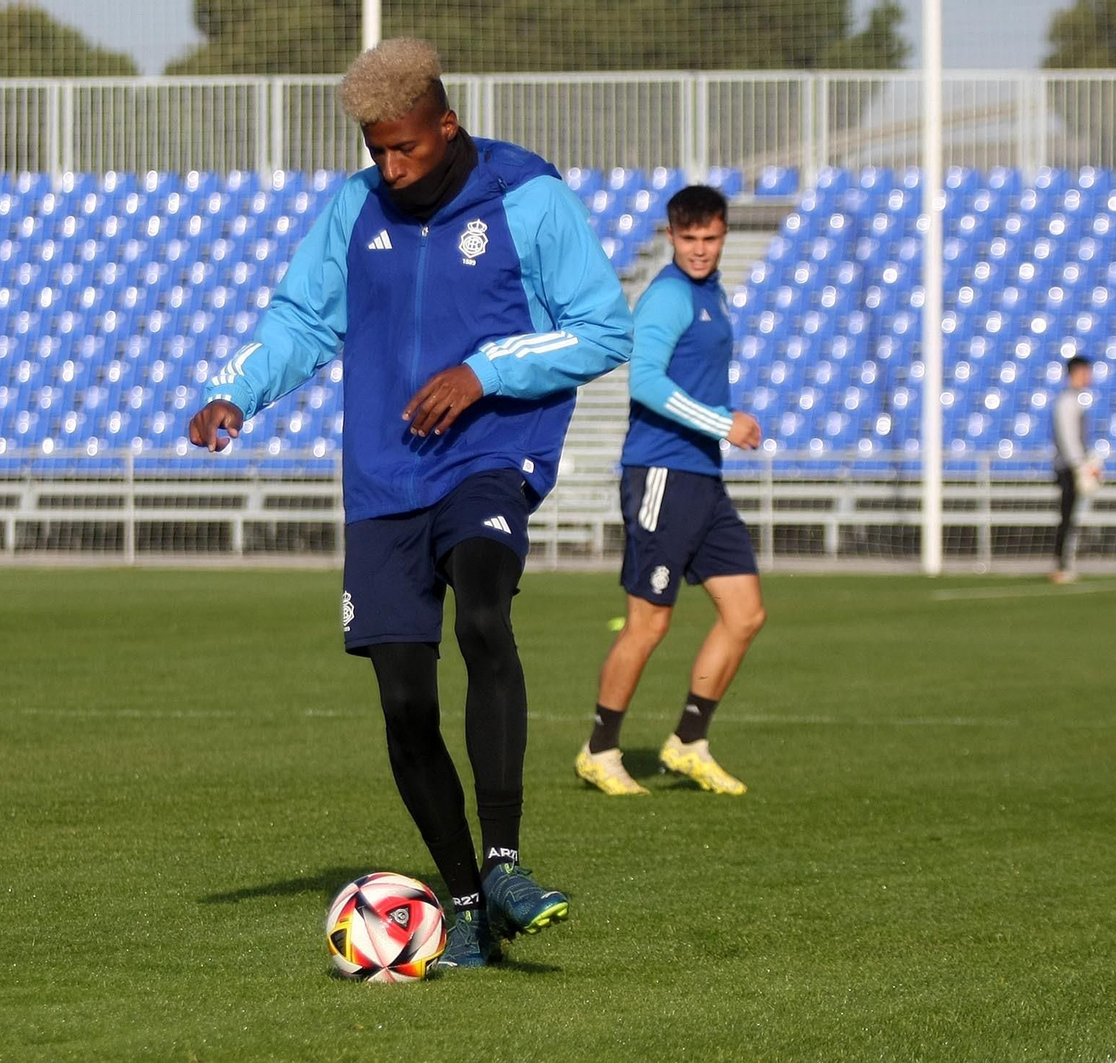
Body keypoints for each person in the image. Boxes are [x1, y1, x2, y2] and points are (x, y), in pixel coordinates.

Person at [188, 38, 633, 968]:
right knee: (402, 702)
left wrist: (482, 371)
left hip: (489, 458)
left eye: (406, 149)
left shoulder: (528, 198)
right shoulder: (354, 209)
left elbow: (602, 329)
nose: (389, 168)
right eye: (374, 151)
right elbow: (304, 320)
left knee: (482, 614)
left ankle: (506, 862)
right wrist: (239, 389)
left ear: (447, 124)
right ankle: (465, 900)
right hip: (384, 479)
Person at [573, 185, 764, 798]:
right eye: (689, 239)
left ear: (723, 235)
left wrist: (720, 430)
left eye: (710, 238)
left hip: (703, 477)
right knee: (648, 624)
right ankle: (600, 750)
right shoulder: (668, 296)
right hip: (661, 472)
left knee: (745, 613)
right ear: (673, 236)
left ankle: (687, 742)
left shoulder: (713, 294)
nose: (701, 249)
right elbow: (645, 383)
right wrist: (722, 422)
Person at [1051, 355, 1099, 584]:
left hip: (1075, 465)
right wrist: (1081, 466)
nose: (1088, 376)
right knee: (1067, 515)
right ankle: (1062, 564)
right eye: (1085, 371)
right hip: (1069, 467)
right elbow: (1068, 439)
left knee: (1072, 515)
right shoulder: (1067, 401)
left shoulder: (1076, 400)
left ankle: (1066, 562)